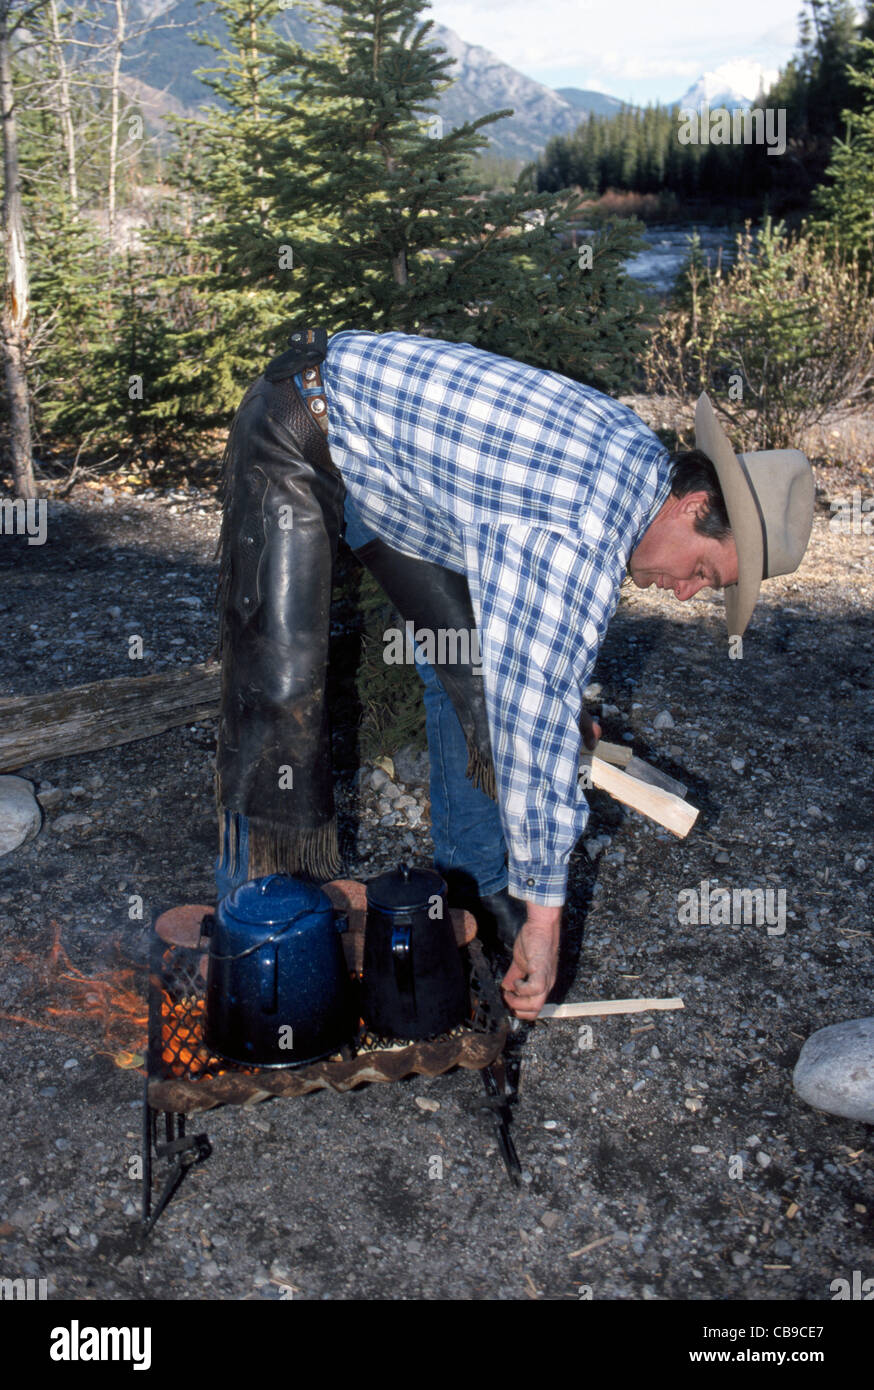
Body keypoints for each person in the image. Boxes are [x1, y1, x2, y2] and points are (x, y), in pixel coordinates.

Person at [214, 328, 815, 1020]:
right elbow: (533, 709)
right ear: (692, 507)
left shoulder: (639, 472)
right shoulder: (579, 529)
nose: (684, 593)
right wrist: (546, 918)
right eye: (703, 572)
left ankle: (476, 881)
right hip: (301, 422)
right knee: (278, 690)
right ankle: (250, 934)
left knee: (469, 676)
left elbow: (527, 672)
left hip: (402, 488)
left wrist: (556, 717)